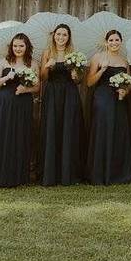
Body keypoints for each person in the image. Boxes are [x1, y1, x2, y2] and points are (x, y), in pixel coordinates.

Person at [0, 33, 40, 189]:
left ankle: (17, 177)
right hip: (4, 103)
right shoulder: (3, 62)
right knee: (0, 136)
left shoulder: (33, 64)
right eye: (15, 46)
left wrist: (25, 89)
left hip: (23, 104)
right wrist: (7, 78)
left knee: (19, 136)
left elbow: (37, 87)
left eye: (21, 46)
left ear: (27, 47)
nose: (18, 48)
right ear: (11, 47)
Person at [38, 24, 86, 186]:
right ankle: (50, 173)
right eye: (58, 34)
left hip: (69, 94)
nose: (61, 37)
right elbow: (43, 78)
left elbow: (79, 80)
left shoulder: (73, 54)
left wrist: (75, 74)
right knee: (52, 128)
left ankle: (69, 173)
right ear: (54, 36)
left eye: (64, 35)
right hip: (52, 95)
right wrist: (46, 67)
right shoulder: (47, 53)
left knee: (69, 130)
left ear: (68, 37)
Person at [86, 29, 131, 185]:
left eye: (117, 40)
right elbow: (89, 82)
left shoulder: (124, 61)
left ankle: (117, 174)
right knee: (104, 130)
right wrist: (102, 69)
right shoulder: (98, 58)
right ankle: (100, 173)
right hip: (103, 98)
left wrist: (125, 92)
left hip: (119, 99)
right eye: (111, 40)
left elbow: (129, 83)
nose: (114, 43)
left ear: (121, 42)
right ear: (106, 42)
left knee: (118, 132)